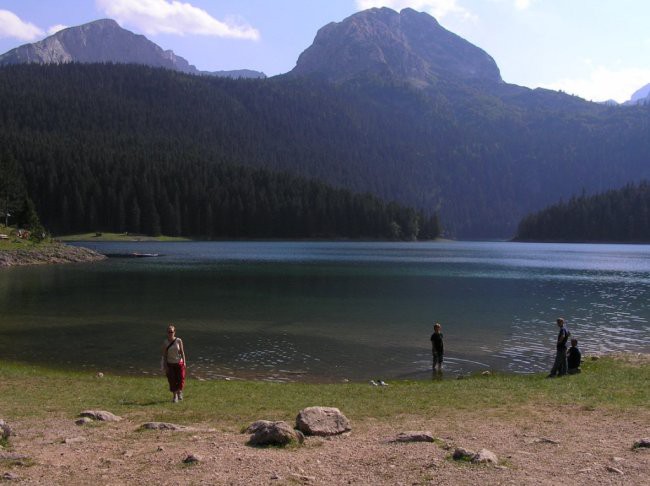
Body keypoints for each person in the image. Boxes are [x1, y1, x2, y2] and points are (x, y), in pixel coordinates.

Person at [161, 324, 187, 403]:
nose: (170, 333)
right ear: (167, 333)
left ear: (174, 332)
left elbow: (182, 352)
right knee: (172, 380)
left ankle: (180, 392)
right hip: (170, 363)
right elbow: (164, 355)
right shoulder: (165, 342)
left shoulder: (179, 340)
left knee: (181, 378)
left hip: (179, 363)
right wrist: (165, 365)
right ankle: (175, 396)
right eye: (169, 332)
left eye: (171, 332)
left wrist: (184, 362)